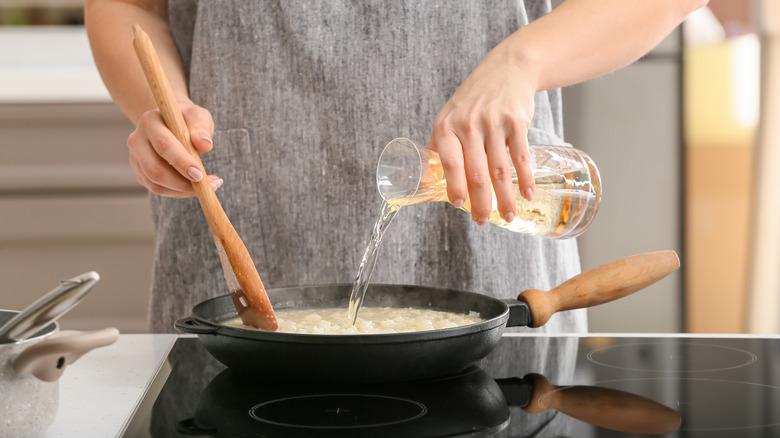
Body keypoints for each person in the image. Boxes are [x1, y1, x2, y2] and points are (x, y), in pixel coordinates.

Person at [85, 0, 707, 334]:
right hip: (236, 223)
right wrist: (163, 108)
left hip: (487, 230)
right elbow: (125, 5)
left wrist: (524, 61)